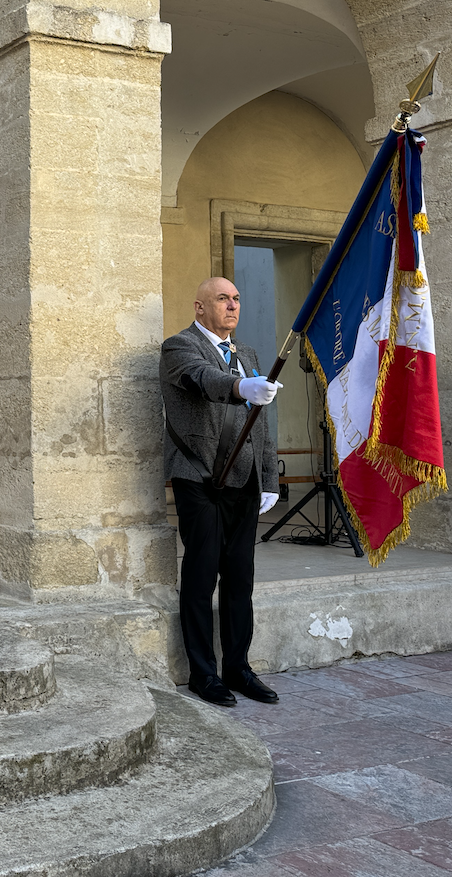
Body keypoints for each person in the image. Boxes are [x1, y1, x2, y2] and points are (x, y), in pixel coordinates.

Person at [160, 276, 283, 708]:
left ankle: (239, 667)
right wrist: (239, 387)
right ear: (199, 307)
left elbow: (261, 426)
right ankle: (203, 673)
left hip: (244, 481)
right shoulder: (179, 347)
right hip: (199, 478)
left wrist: (269, 479)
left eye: (235, 299)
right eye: (221, 299)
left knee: (239, 579)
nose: (232, 306)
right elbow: (201, 378)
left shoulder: (246, 353)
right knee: (201, 573)